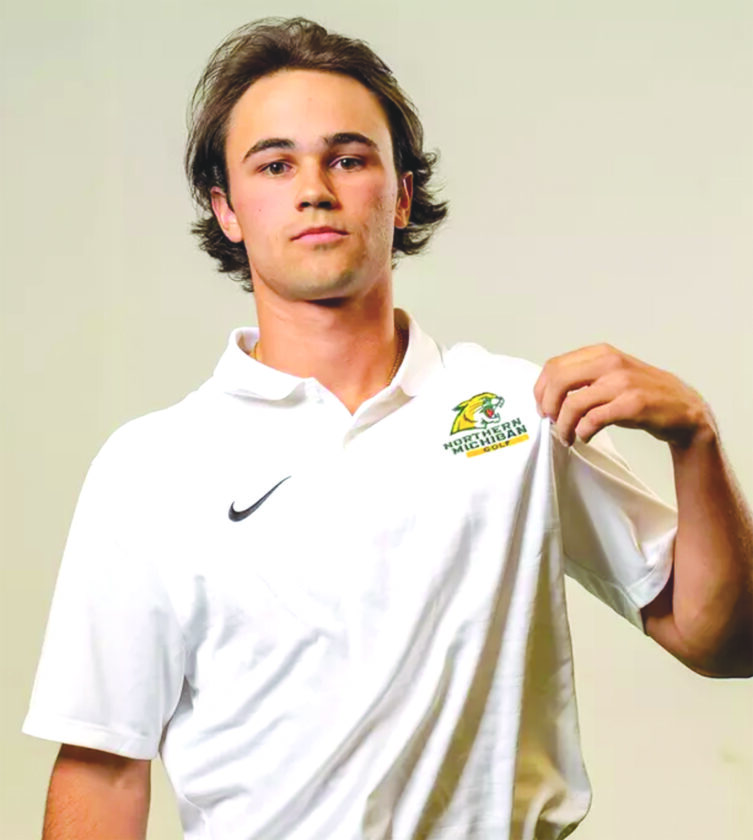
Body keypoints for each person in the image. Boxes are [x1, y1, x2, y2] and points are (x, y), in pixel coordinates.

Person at [23, 16, 752, 840]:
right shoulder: (149, 466)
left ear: (401, 192)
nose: (313, 189)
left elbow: (722, 642)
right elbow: (104, 770)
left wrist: (695, 439)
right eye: (274, 164)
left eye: (347, 158)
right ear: (226, 209)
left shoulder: (518, 408)